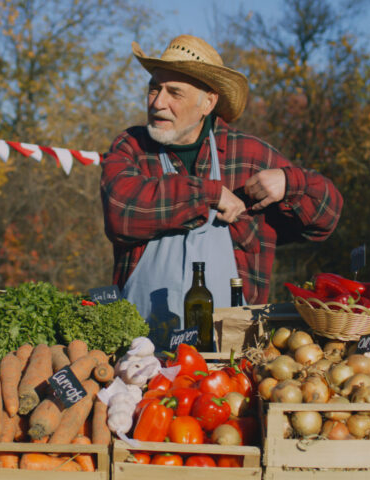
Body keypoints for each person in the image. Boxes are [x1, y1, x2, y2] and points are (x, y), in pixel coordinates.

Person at [100, 35, 343, 343]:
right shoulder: (132, 147)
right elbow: (122, 213)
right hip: (140, 353)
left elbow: (327, 219)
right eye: (154, 88)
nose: (158, 102)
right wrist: (209, 194)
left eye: (174, 92)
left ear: (208, 102)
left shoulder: (249, 156)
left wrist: (290, 182)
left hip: (232, 358)